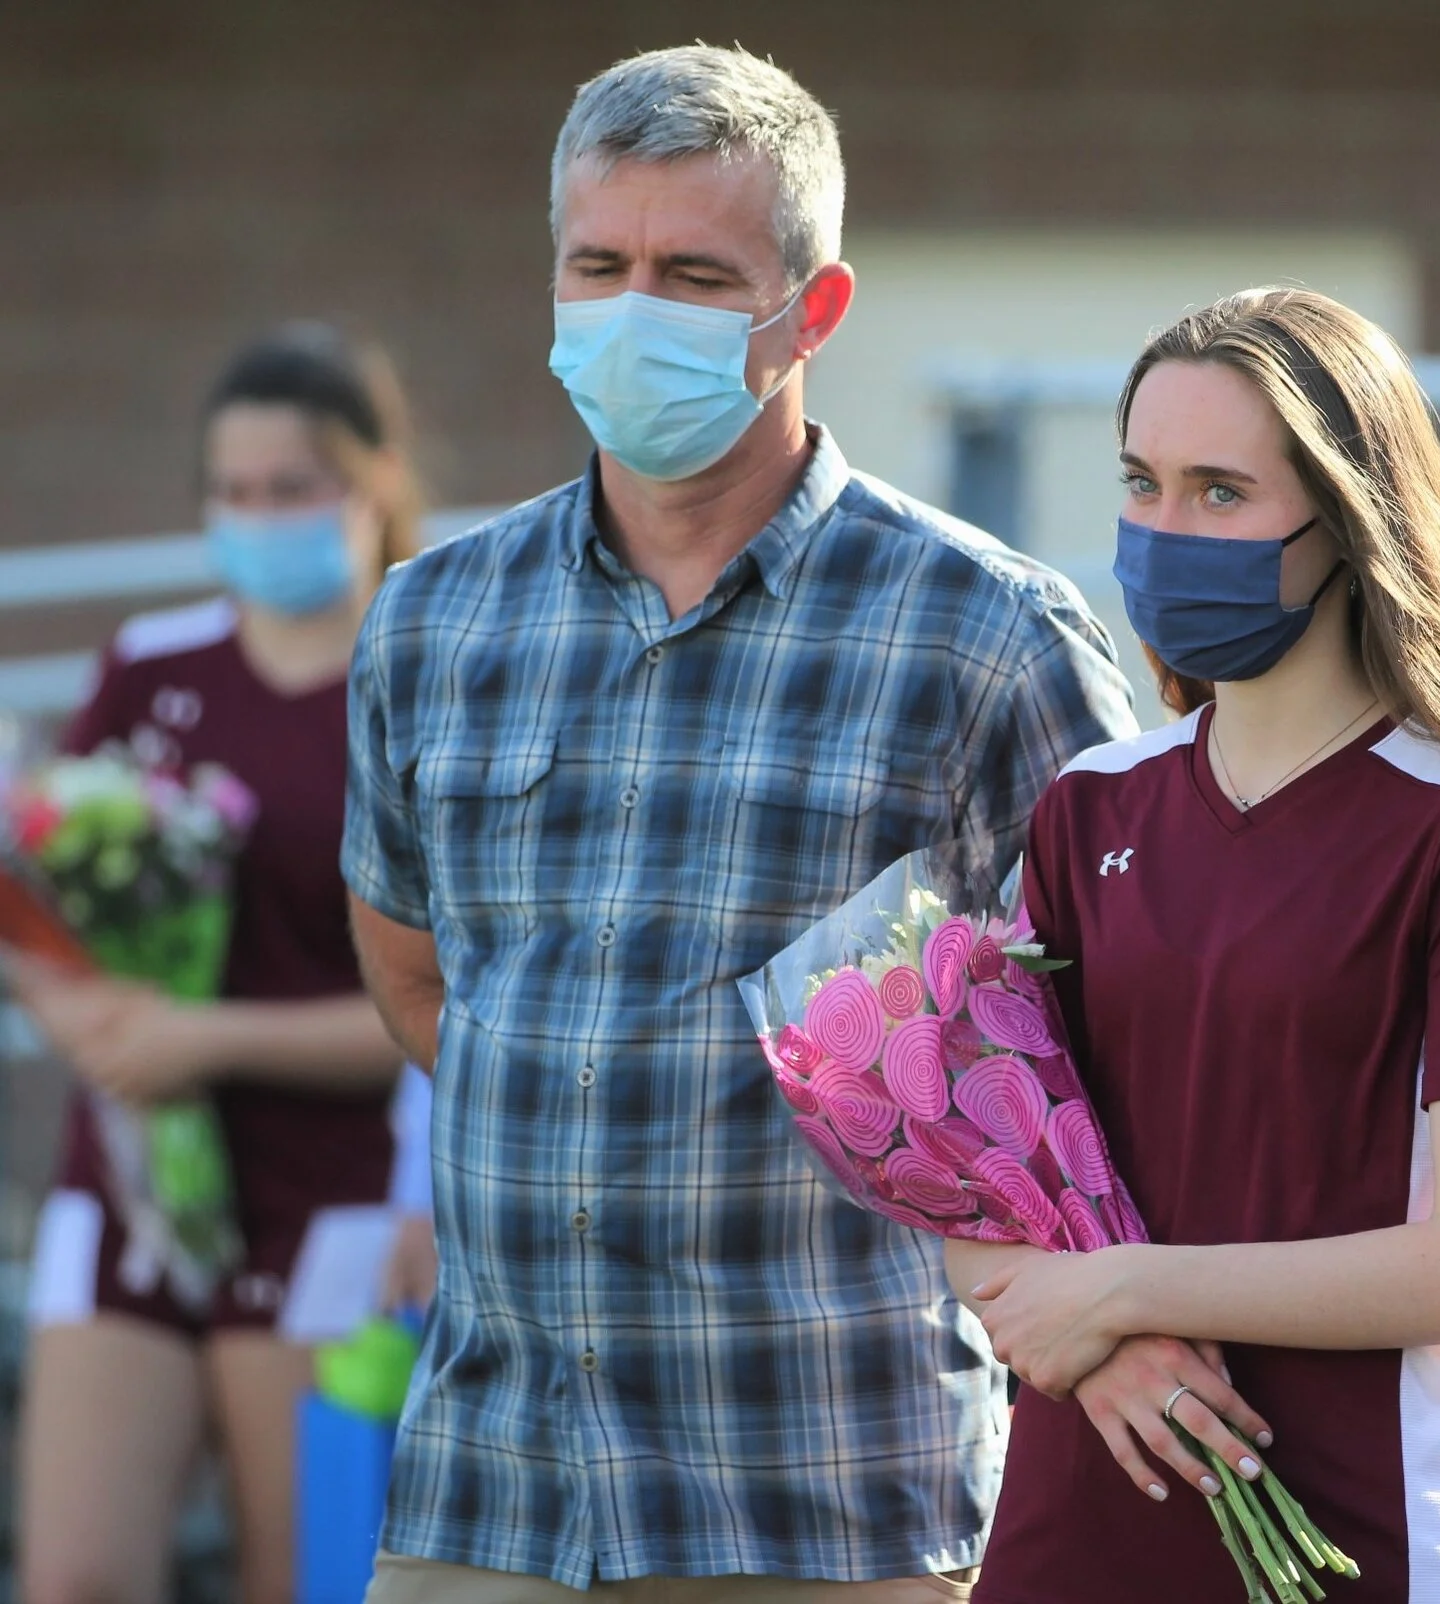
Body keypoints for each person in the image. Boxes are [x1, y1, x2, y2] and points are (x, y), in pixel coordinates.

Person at [340, 45, 1135, 1604]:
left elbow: (1120, 1038)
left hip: (827, 1498)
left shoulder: (987, 637)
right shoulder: (432, 621)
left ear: (813, 311)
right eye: (600, 266)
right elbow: (419, 974)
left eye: (696, 275)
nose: (635, 309)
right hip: (492, 1492)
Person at [947, 286, 1440, 1604]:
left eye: (1223, 492)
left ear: (1350, 519)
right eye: (1144, 485)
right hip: (1069, 1536)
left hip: (1358, 1543)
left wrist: (1125, 1294)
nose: (1166, 531)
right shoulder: (1088, 805)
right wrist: (1103, 1342)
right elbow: (971, 1176)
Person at [10, 323, 424, 1604]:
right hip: (133, 1175)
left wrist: (214, 1038)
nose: (255, 518)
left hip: (335, 1202)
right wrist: (80, 1018)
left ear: (372, 484)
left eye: (288, 488)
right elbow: (38, 902)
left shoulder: (415, 679)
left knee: (297, 1577)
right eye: (230, 492)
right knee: (74, 1575)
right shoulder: (153, 663)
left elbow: (439, 997)